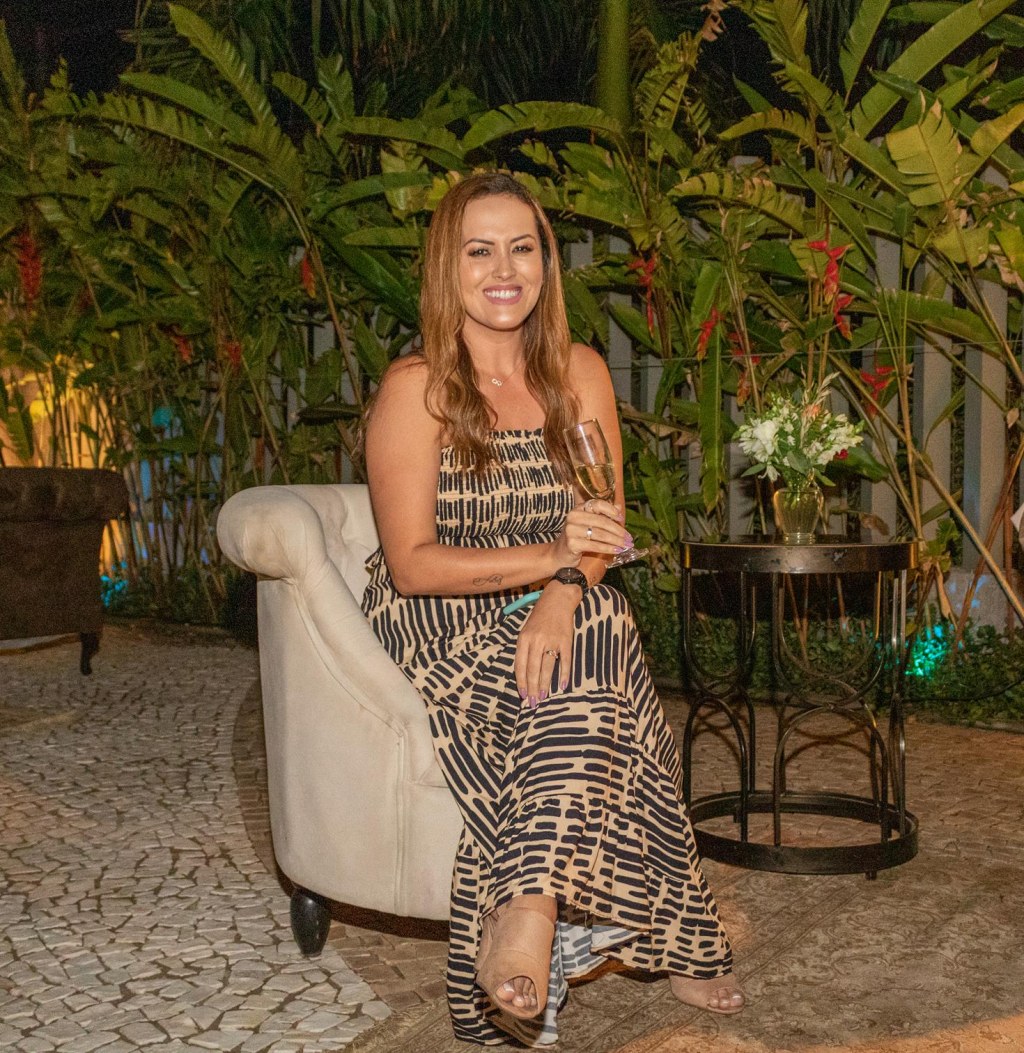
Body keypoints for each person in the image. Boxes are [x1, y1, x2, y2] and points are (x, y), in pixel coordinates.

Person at [361, 171, 743, 1046]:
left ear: (546, 263)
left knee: (598, 624)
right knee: (612, 652)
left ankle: (525, 910)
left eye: (522, 248)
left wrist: (565, 589)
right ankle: (679, 938)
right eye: (480, 250)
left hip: (558, 602)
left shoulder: (579, 372)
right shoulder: (417, 388)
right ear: (447, 267)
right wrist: (552, 565)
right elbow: (413, 566)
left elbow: (604, 526)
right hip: (446, 616)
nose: (505, 270)